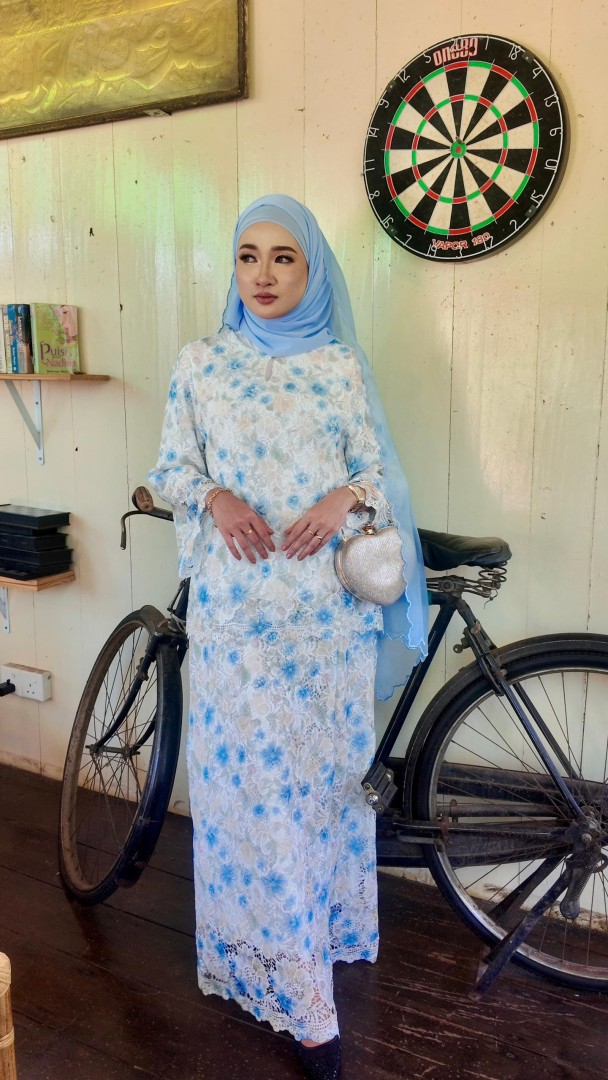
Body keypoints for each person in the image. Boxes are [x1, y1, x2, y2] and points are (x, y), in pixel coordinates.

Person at [148, 195, 428, 1080]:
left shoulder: (338, 367)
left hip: (326, 629)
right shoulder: (201, 364)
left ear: (311, 271)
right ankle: (302, 998)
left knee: (322, 795)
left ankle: (321, 938)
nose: (262, 275)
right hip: (237, 624)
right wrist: (216, 496)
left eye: (283, 258)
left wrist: (344, 498)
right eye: (248, 257)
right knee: (251, 801)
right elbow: (170, 468)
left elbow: (374, 474)